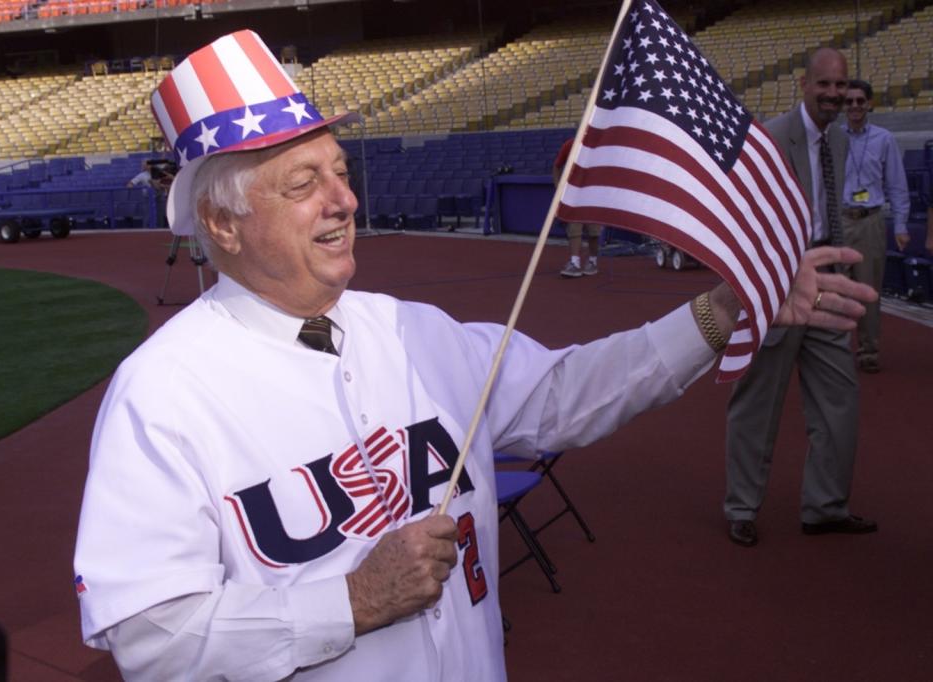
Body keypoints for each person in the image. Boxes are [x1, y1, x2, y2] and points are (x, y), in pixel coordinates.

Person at [73, 32, 875, 680]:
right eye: (303, 182)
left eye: (342, 173)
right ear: (222, 224)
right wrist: (348, 601)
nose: (344, 200)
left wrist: (726, 306)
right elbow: (151, 638)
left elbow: (570, 393)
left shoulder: (412, 330)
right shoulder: (164, 392)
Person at [724, 47, 877, 548]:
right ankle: (742, 507)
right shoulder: (769, 138)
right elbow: (744, 217)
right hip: (780, 285)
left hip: (824, 280)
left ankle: (825, 506)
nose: (834, 94)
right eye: (825, 85)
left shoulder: (836, 138)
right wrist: (766, 282)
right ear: (804, 85)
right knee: (758, 402)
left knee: (840, 400)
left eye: (841, 85)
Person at [841, 79, 910, 373]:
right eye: (850, 101)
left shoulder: (884, 139)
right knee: (836, 291)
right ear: (844, 105)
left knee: (869, 291)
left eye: (860, 100)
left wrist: (901, 225)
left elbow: (897, 185)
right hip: (839, 221)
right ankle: (836, 351)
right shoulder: (832, 137)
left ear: (869, 104)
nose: (855, 106)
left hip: (870, 221)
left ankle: (869, 350)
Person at [554, 138, 602, 277]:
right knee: (574, 228)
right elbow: (557, 165)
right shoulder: (570, 144)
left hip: (593, 193)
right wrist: (559, 188)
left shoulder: (599, 144)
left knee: (594, 231)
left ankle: (592, 261)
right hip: (574, 193)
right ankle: (575, 262)